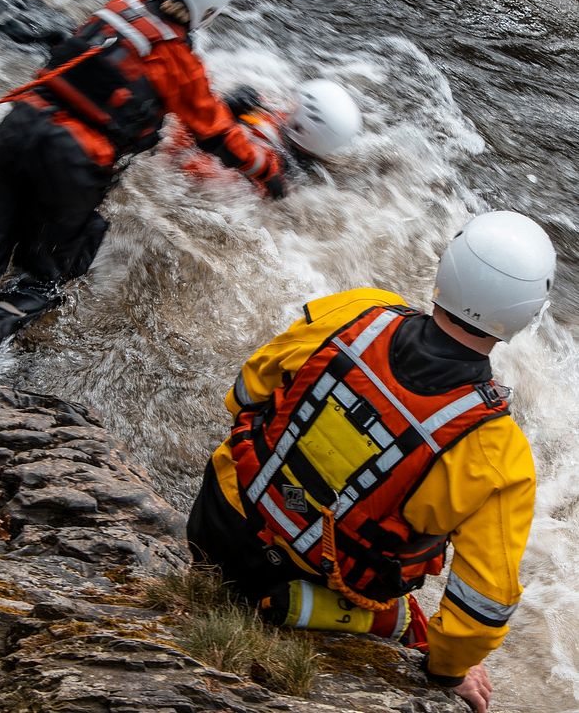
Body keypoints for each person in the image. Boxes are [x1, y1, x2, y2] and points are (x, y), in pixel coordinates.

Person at [187, 210, 555, 713]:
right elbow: (481, 608)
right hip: (294, 586)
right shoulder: (497, 452)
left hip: (216, 519)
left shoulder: (359, 309)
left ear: (446, 267)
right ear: (528, 314)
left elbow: (246, 392)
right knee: (423, 631)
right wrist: (448, 672)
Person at [0, 0, 285, 384]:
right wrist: (271, 175)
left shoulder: (117, 10)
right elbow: (216, 133)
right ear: (208, 9)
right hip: (72, 162)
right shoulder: (180, 62)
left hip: (17, 129)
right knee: (45, 275)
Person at [168, 79, 363, 182]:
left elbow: (179, 163)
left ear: (301, 128)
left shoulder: (265, 165)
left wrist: (223, 109)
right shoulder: (289, 139)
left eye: (293, 107)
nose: (285, 108)